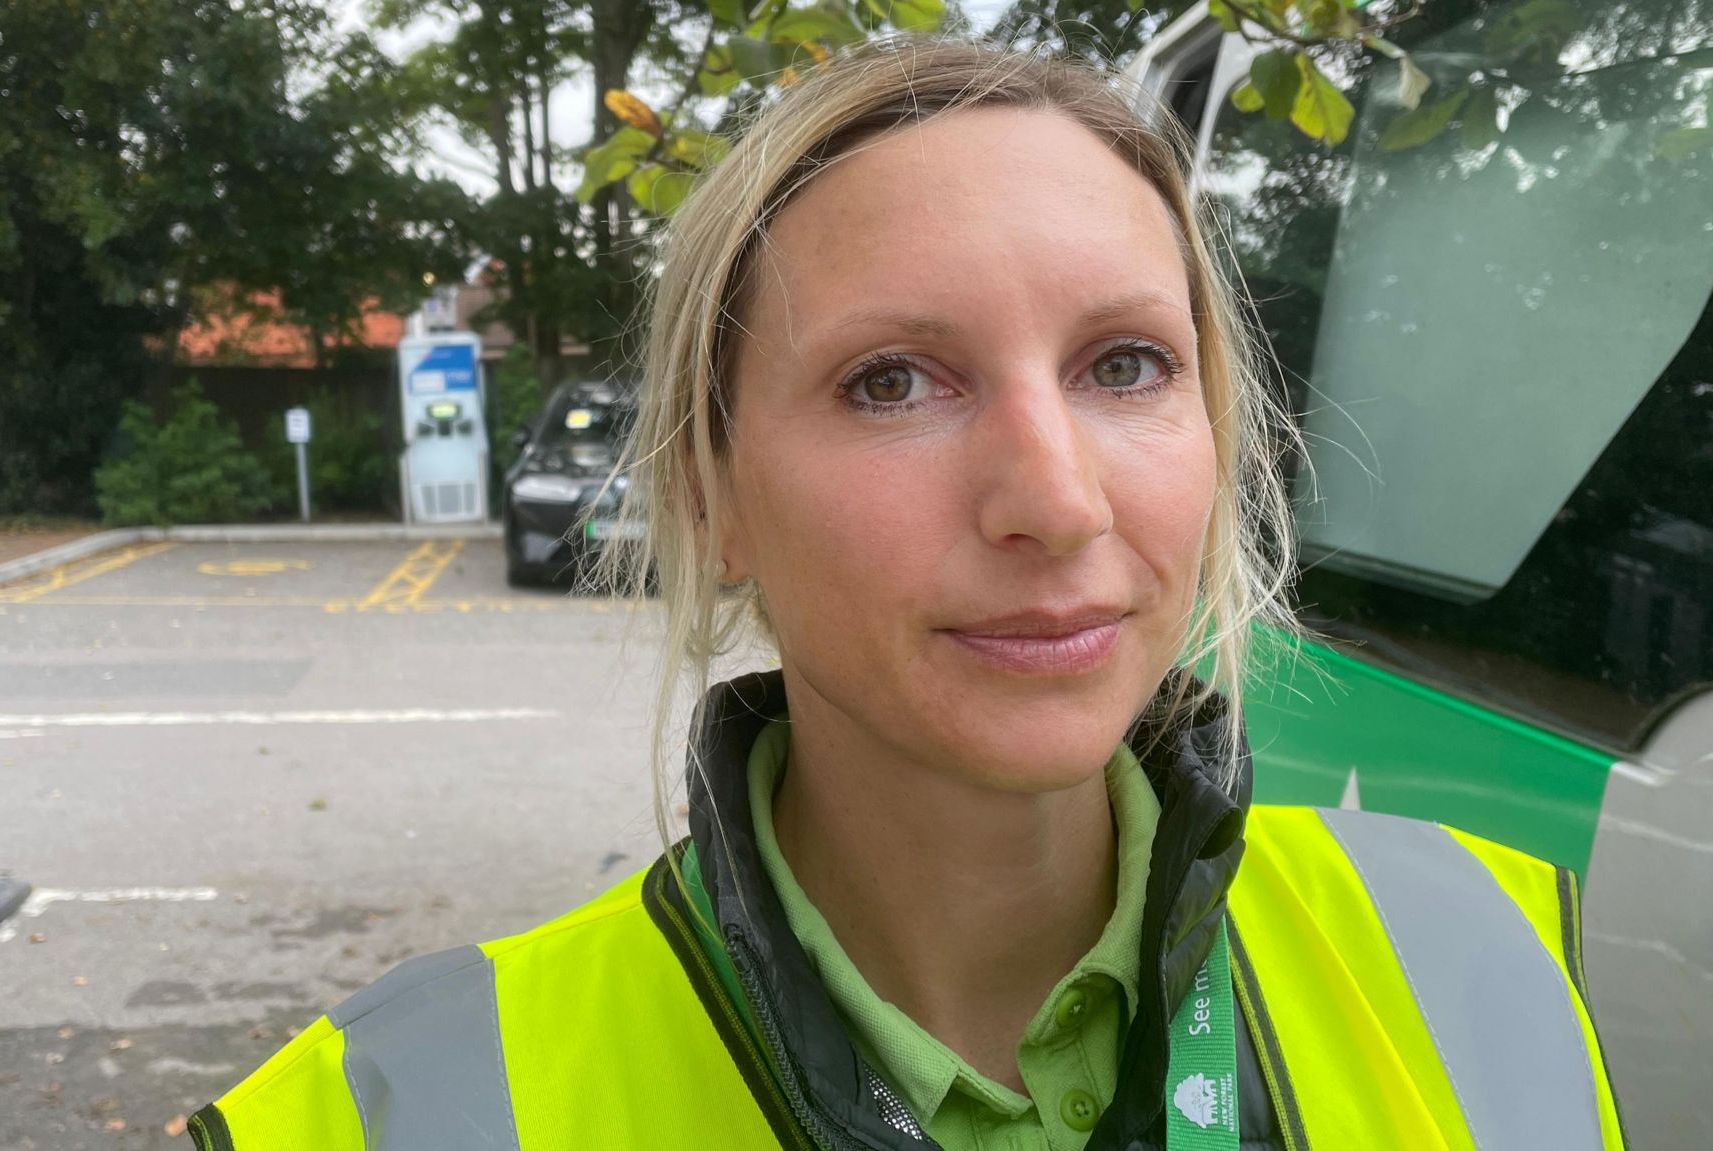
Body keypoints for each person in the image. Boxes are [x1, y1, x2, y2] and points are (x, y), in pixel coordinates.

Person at [189, 38, 1625, 1151]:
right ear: (709, 491)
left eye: (1125, 364)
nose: (1057, 500)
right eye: (893, 383)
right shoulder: (388, 1112)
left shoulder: (1486, 956)